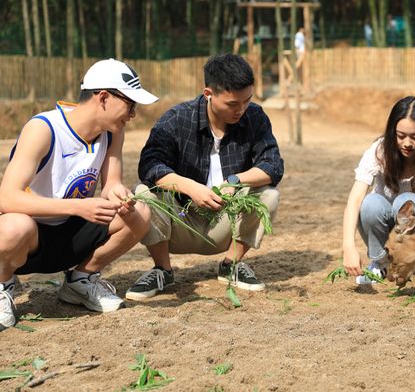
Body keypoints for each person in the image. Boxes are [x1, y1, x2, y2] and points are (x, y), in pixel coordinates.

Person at [0, 58, 156, 330]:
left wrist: (118, 193)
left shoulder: (112, 133)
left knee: (140, 211)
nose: (133, 115)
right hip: (30, 236)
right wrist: (78, 207)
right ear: (104, 97)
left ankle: (81, 279)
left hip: (72, 233)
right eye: (131, 105)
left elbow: (111, 184)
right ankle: (3, 284)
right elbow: (7, 198)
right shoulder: (43, 129)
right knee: (13, 226)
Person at [126, 54, 283, 301]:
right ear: (208, 93)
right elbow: (150, 166)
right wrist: (191, 188)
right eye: (232, 104)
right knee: (143, 193)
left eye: (247, 101)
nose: (241, 110)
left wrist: (235, 181)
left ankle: (231, 265)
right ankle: (163, 270)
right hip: (179, 220)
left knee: (269, 195)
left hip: (226, 219)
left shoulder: (255, 117)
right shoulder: (177, 119)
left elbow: (273, 166)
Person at [343, 95, 415, 288]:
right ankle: (381, 262)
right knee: (370, 203)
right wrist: (348, 246)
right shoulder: (379, 151)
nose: (407, 143)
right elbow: (355, 199)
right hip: (388, 235)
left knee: (407, 200)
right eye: (400, 136)